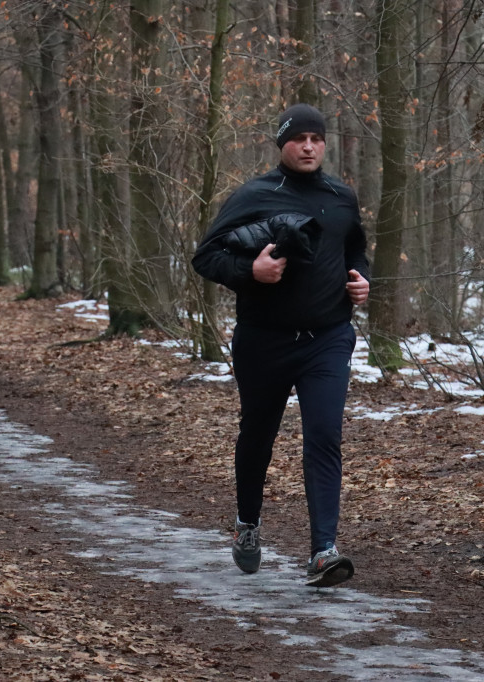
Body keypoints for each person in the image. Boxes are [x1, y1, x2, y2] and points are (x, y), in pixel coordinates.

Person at [192, 103, 371, 588]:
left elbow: (354, 248)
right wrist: (251, 272)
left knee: (323, 435)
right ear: (282, 145)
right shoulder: (254, 195)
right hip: (264, 340)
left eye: (317, 138)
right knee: (258, 436)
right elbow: (205, 257)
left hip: (327, 339)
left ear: (325, 143)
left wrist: (361, 280)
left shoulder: (341, 197)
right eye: (298, 139)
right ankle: (247, 524)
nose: (309, 146)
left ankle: (323, 551)